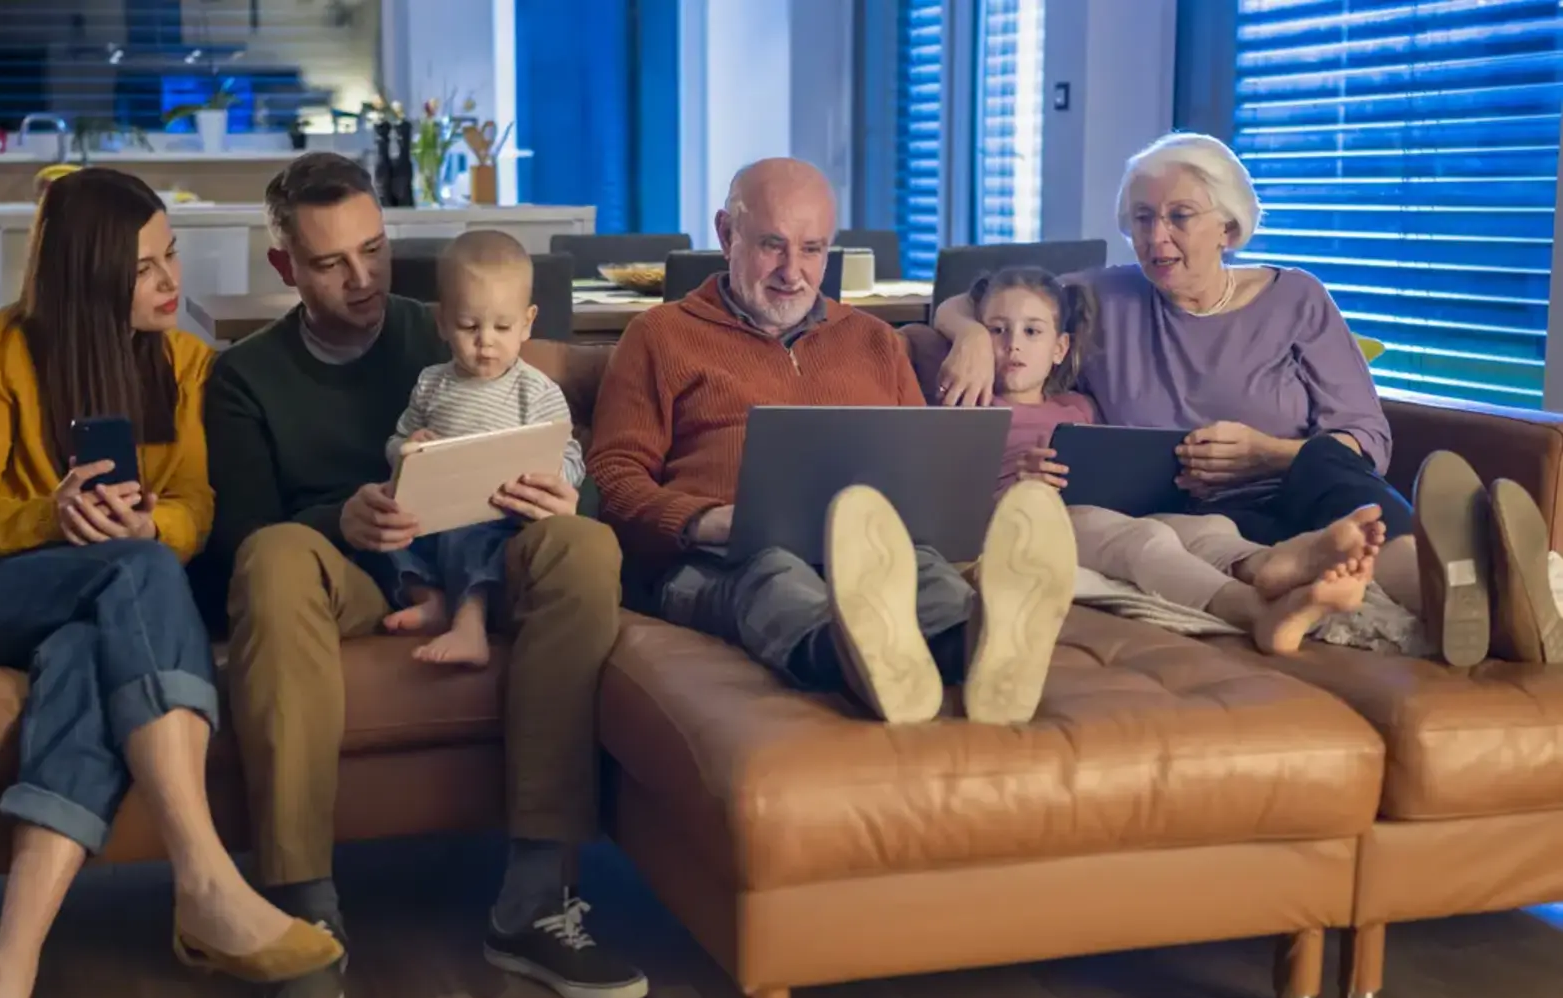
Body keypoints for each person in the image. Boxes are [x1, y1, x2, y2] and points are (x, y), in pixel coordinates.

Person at [0, 168, 341, 998]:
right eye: (144, 268)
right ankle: (204, 879)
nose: (172, 280)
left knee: (95, 643)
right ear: (90, 277)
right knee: (136, 571)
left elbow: (196, 509)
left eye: (172, 255)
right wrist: (52, 518)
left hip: (87, 607)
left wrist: (149, 524)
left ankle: (3, 992)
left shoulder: (188, 365)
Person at [203, 153, 647, 998]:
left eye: (373, 249)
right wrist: (343, 518)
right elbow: (235, 550)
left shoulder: (454, 324)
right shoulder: (246, 377)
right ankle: (302, 912)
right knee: (275, 556)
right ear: (285, 266)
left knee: (585, 545)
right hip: (350, 578)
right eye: (331, 263)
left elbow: (556, 448)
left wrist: (572, 498)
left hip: (483, 558)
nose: (363, 278)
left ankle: (534, 899)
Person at [933, 131, 1483, 665]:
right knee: (1220, 536)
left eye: (1180, 216)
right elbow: (988, 298)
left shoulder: (1297, 299)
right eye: (1143, 218)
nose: (1157, 236)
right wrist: (972, 334)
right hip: (1204, 519)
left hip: (1303, 493)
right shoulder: (1105, 297)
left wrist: (1267, 453)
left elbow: (1367, 438)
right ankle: (1444, 583)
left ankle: (1455, 594)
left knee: (1329, 463)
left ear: (1228, 225)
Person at [588, 157, 1078, 728]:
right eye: (772, 245)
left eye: (813, 249)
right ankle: (857, 656)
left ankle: (980, 649)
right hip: (717, 558)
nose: (792, 272)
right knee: (773, 571)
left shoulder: (874, 340)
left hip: (868, 551)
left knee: (922, 568)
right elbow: (612, 478)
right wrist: (704, 520)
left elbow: (924, 469)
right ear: (726, 234)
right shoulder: (659, 336)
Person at [975, 265, 1382, 654]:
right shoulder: (973, 407)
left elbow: (1113, 461)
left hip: (1109, 512)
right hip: (1033, 523)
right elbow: (956, 500)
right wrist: (1016, 491)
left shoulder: (1081, 406)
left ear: (1060, 348)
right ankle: (1257, 612)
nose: (1013, 344)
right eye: (996, 330)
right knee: (1144, 541)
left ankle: (1267, 564)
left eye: (1032, 331)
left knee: (1207, 528)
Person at [375, 230, 587, 667]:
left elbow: (569, 456)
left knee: (472, 540)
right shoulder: (431, 384)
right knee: (380, 535)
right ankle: (430, 599)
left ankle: (469, 625)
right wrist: (405, 449)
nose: (485, 341)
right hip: (431, 512)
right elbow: (397, 440)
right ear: (442, 321)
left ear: (527, 322)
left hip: (496, 516)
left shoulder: (536, 391)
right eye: (469, 326)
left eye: (502, 327)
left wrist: (553, 478)